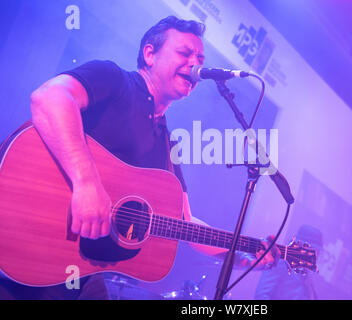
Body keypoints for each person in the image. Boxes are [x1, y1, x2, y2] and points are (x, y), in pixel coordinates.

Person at [0, 16, 277, 300]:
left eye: (200, 57)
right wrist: (87, 185)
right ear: (149, 54)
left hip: (79, 269)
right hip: (28, 236)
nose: (196, 65)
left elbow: (185, 221)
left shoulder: (168, 142)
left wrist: (242, 255)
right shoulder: (113, 78)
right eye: (184, 53)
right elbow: (48, 98)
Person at [254, 225, 323, 300]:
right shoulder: (280, 263)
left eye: (318, 252)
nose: (316, 256)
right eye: (314, 251)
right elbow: (261, 295)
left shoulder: (306, 273)